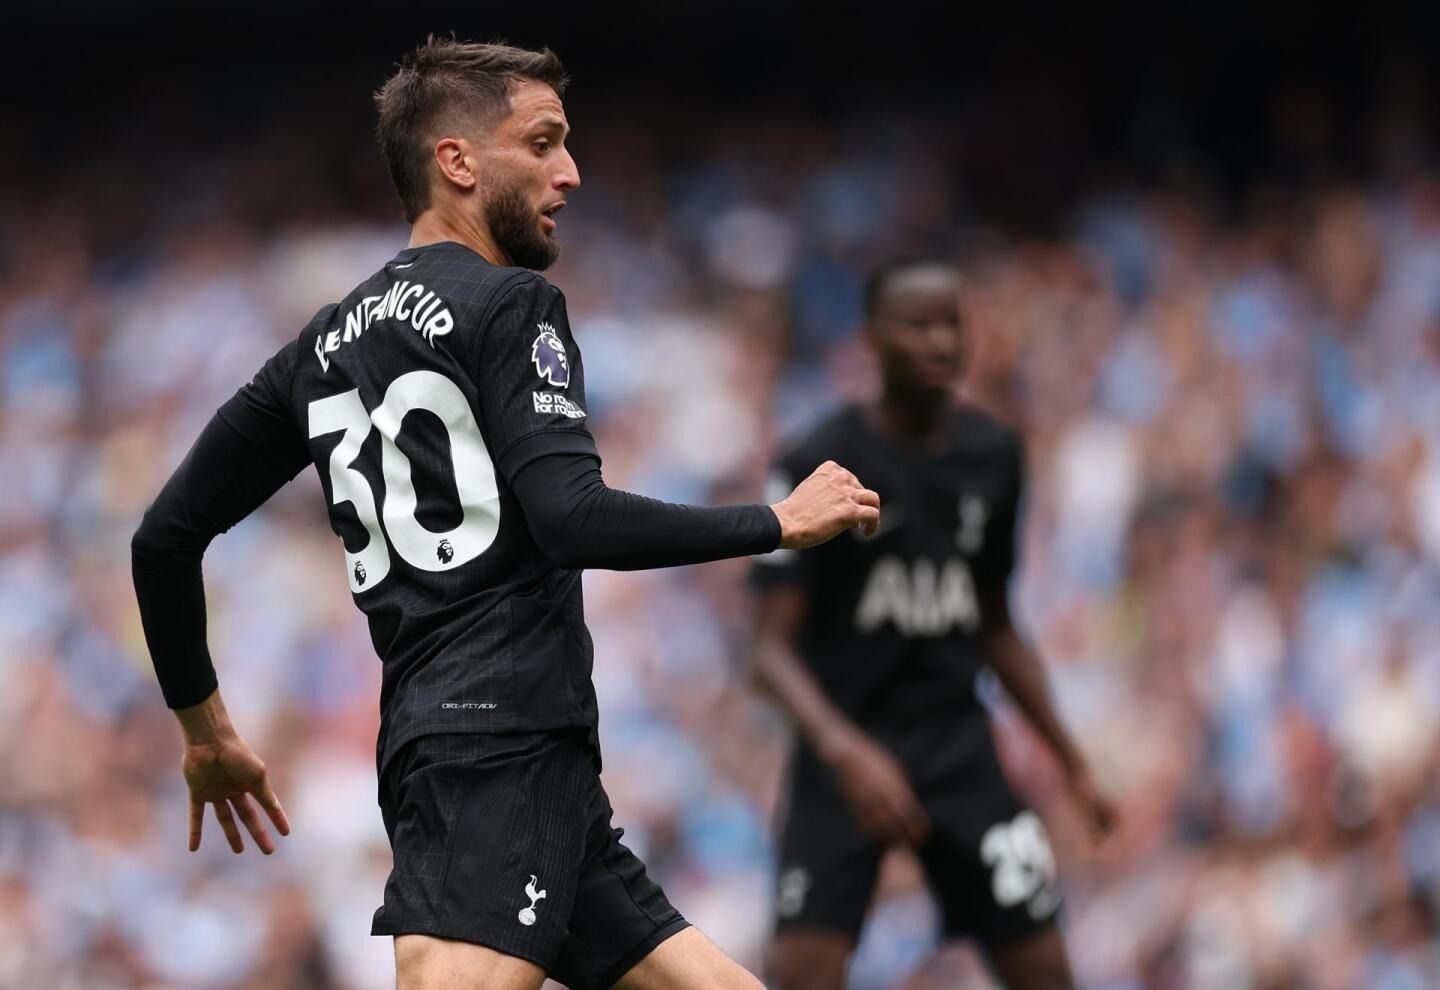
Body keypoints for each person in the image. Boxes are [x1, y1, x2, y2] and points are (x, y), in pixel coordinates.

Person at [130, 38, 881, 990]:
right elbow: (573, 518)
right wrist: (775, 521)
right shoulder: (509, 304)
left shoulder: (317, 352)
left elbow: (163, 540)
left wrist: (206, 732)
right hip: (499, 745)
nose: (570, 171)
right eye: (544, 142)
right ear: (457, 161)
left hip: (488, 750)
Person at [748, 258, 1116, 990]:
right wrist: (845, 751)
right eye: (918, 324)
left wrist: (1073, 764)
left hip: (958, 748)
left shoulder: (995, 455)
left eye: (952, 322)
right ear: (872, 339)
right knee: (799, 974)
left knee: (1047, 968)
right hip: (845, 751)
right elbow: (766, 652)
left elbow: (996, 625)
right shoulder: (818, 461)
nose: (941, 341)